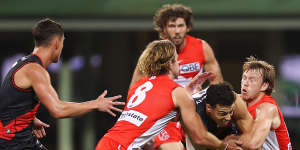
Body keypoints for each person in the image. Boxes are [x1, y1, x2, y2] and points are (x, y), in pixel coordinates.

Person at [0, 18, 124, 150]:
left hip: (19, 140)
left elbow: (10, 99)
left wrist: (29, 117)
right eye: (63, 42)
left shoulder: (23, 63)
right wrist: (95, 104)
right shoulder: (35, 71)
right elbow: (57, 110)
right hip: (13, 144)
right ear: (56, 43)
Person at [95, 40, 240, 150]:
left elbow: (161, 109)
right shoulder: (175, 92)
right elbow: (200, 137)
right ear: (170, 63)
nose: (178, 64)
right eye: (176, 60)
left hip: (106, 142)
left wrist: (187, 91)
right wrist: (224, 146)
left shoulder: (140, 85)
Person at [131, 4, 224, 150]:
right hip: (166, 112)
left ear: (187, 27)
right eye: (172, 26)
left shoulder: (202, 47)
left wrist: (204, 97)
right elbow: (135, 90)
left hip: (194, 109)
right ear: (164, 29)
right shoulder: (153, 53)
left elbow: (217, 82)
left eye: (180, 26)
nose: (177, 31)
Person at [238, 56, 292, 150]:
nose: (245, 83)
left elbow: (253, 144)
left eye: (252, 80)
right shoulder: (238, 100)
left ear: (264, 86)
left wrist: (225, 142)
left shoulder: (267, 108)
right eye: (244, 78)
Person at [186, 82, 253, 150]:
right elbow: (200, 145)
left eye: (230, 112)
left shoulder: (236, 101)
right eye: (222, 113)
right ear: (208, 108)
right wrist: (224, 146)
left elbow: (251, 138)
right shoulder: (193, 113)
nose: (228, 118)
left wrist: (239, 141)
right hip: (193, 138)